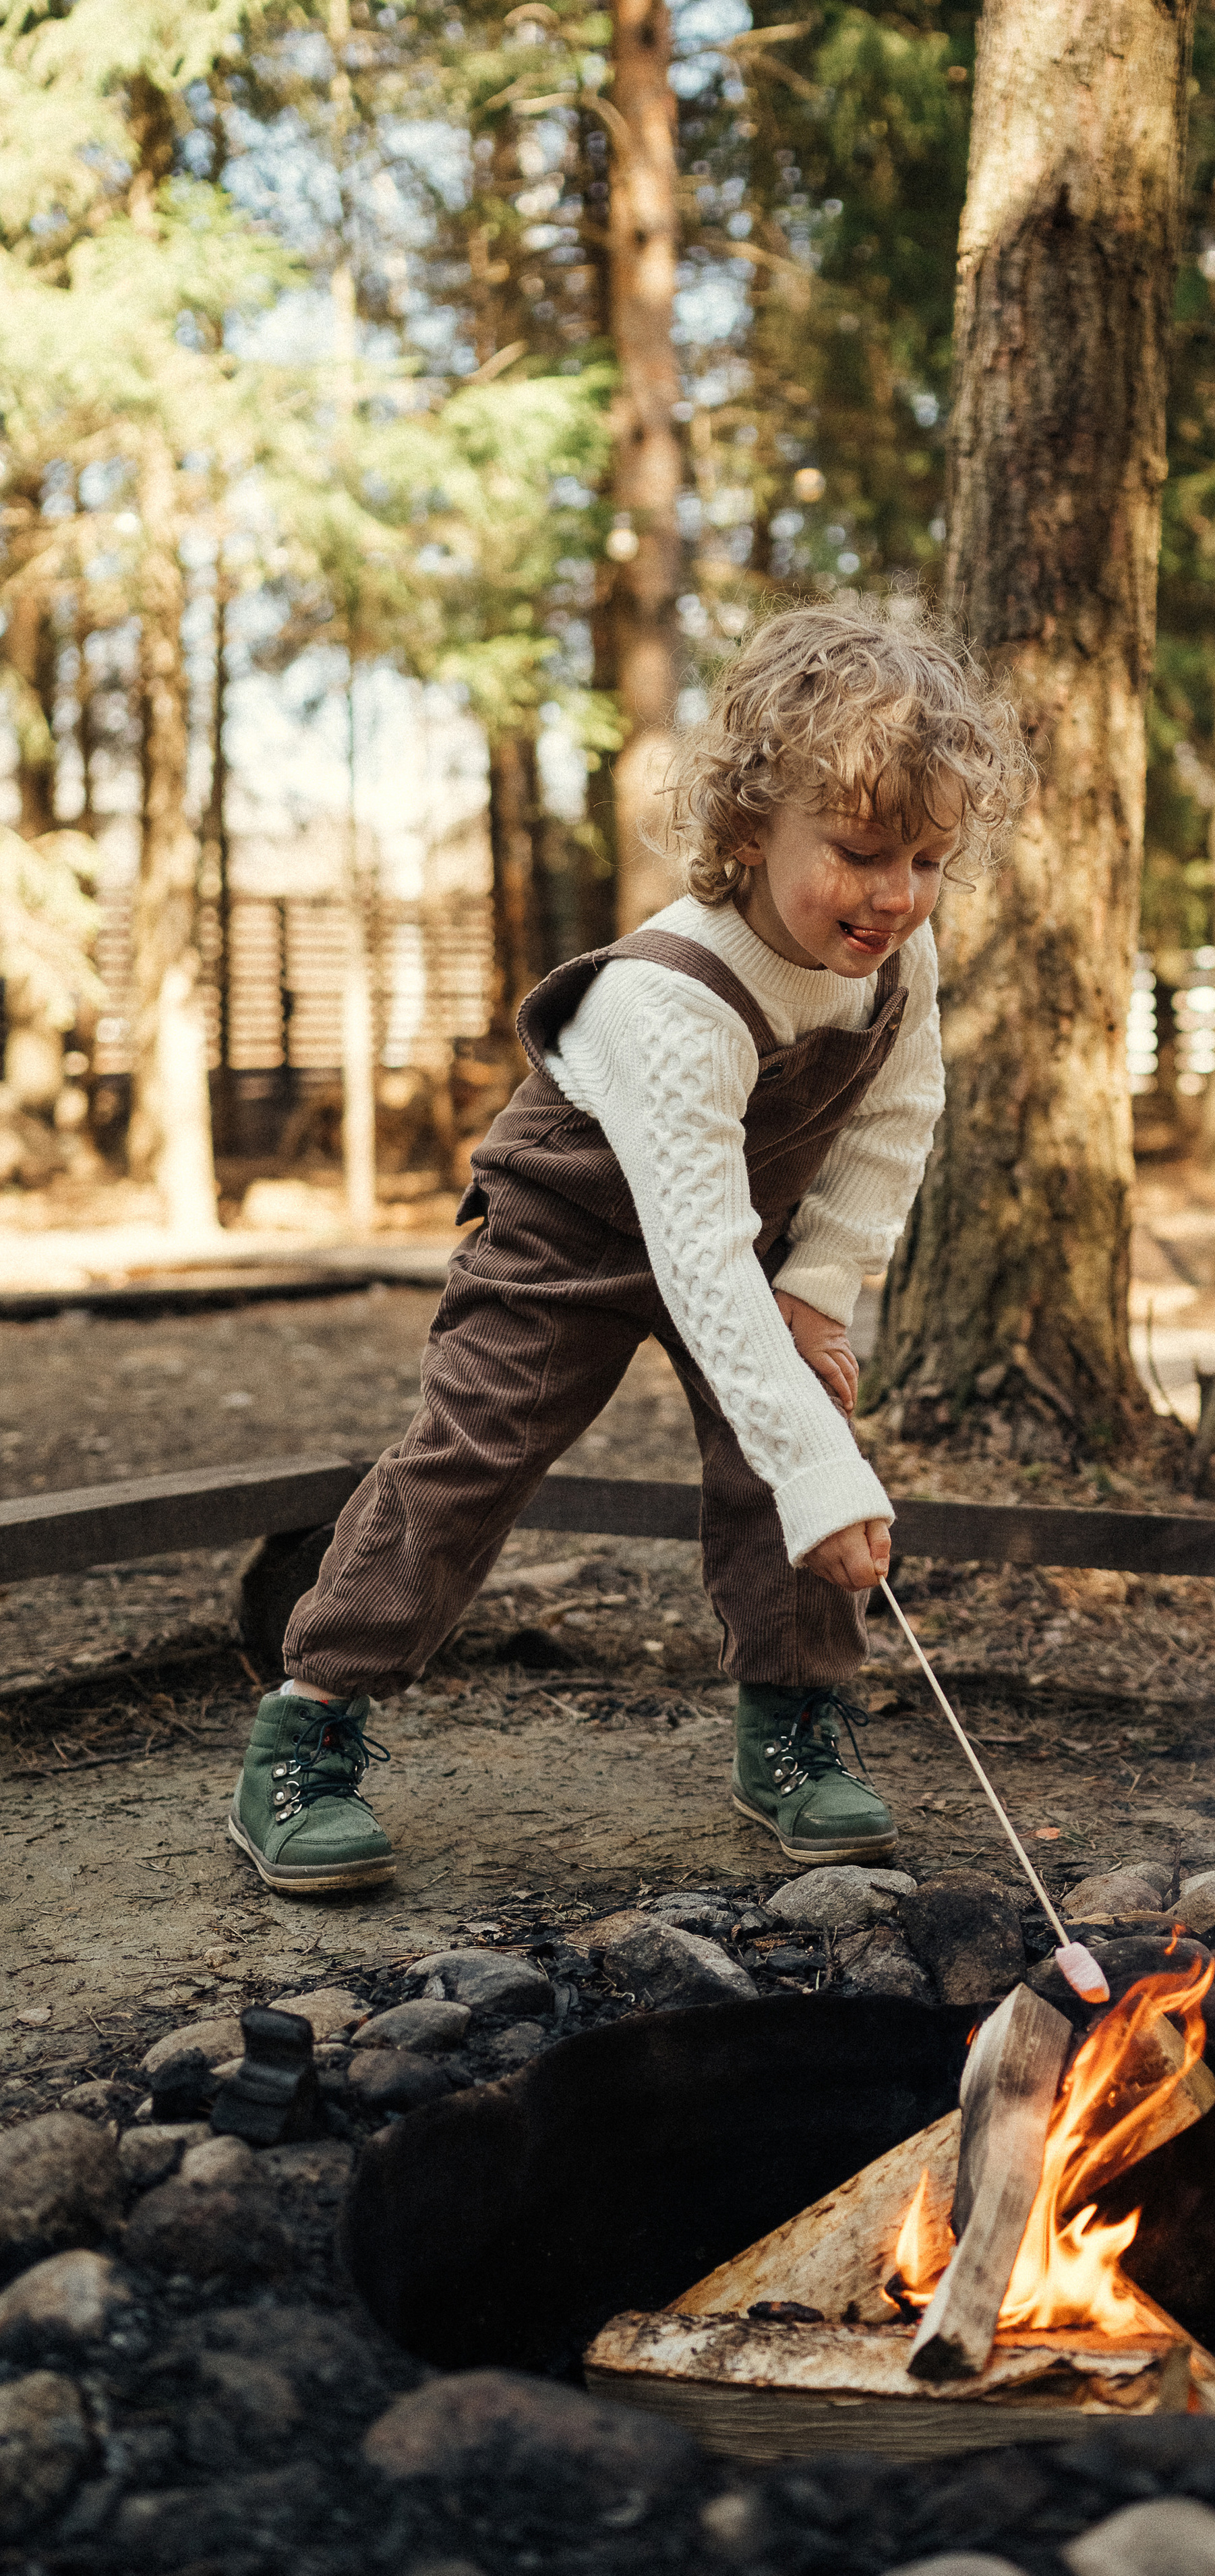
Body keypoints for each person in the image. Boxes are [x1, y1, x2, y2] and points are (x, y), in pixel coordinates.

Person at [226, 598, 1032, 1892]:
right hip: (573, 1226)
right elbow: (696, 1265)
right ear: (749, 827)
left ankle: (793, 1733)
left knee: (783, 1440)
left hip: (740, 1230)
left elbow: (898, 1114)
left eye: (927, 860)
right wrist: (827, 1472)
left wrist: (820, 1295)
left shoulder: (898, 956)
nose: (895, 894)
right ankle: (309, 1721)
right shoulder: (676, 996)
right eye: (860, 850)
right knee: (475, 1454)